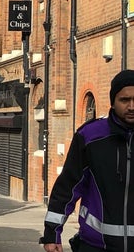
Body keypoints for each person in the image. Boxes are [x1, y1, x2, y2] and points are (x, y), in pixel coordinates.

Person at [40, 70, 134, 252]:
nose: (131, 106)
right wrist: (51, 234)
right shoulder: (89, 136)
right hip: (95, 246)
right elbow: (67, 187)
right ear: (113, 102)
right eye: (124, 100)